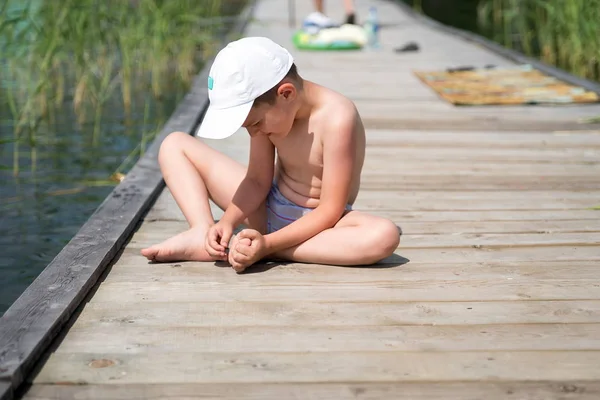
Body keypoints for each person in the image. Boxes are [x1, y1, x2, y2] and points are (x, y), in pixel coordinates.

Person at [141, 37, 400, 273]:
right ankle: (202, 231)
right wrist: (229, 222)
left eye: (256, 124)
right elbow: (256, 180)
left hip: (320, 226)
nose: (255, 131)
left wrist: (266, 245)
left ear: (286, 94)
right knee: (174, 144)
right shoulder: (271, 116)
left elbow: (331, 209)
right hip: (268, 206)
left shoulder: (337, 118)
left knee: (383, 236)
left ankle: (260, 249)